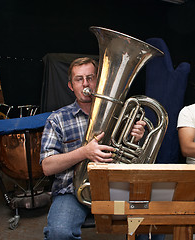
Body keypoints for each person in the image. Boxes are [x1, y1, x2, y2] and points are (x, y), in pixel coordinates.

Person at [40, 57, 146, 240]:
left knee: (151, 222)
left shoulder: (121, 114)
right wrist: (84, 152)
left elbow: (133, 158)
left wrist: (135, 138)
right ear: (71, 86)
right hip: (72, 191)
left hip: (115, 189)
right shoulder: (57, 119)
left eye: (90, 78)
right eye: (79, 79)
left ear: (99, 81)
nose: (85, 84)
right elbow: (47, 166)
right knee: (59, 233)